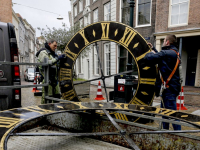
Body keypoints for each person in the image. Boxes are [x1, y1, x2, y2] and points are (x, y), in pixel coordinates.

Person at [144, 35, 181, 130]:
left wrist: (150, 53)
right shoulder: (175, 53)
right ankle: (165, 133)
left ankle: (180, 136)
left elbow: (149, 58)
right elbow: (163, 59)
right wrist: (154, 49)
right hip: (171, 88)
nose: (163, 42)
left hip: (168, 90)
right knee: (165, 114)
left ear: (167, 42)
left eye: (164, 41)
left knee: (173, 116)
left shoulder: (166, 53)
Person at [36, 39, 66, 104]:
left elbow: (56, 64)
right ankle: (46, 113)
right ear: (49, 44)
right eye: (54, 46)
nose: (55, 47)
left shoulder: (53, 54)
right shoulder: (43, 53)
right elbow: (47, 62)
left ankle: (56, 113)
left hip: (55, 81)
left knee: (57, 98)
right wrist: (57, 58)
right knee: (47, 100)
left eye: (56, 46)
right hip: (47, 80)